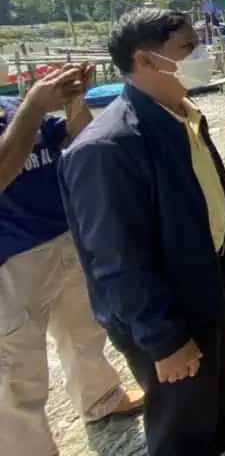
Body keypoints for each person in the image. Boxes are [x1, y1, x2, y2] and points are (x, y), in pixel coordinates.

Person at [59, 9, 225, 456]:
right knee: (180, 410)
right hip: (164, 300)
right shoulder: (108, 147)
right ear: (147, 60)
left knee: (217, 375)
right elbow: (115, 261)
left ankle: (223, 433)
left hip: (206, 272)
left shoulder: (182, 114)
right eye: (188, 47)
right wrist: (163, 339)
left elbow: (205, 193)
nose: (203, 54)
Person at [0, 65, 144, 456]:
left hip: (63, 237)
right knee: (17, 369)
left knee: (83, 333)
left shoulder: (13, 107)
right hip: (11, 260)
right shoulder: (24, 108)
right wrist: (32, 106)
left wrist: (74, 99)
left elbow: (76, 137)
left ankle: (101, 399)